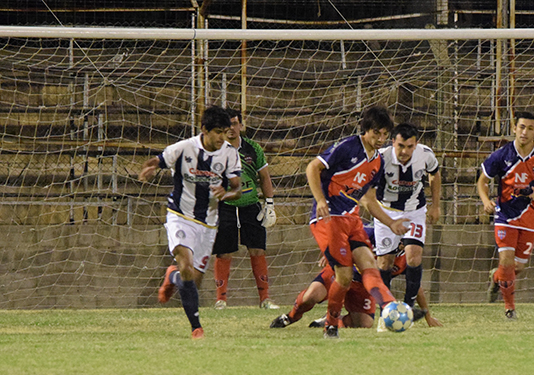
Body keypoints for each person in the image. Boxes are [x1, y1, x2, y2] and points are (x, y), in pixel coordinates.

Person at [305, 106, 410, 339]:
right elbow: (313, 167)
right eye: (376, 134)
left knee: (369, 263)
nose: (381, 139)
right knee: (342, 276)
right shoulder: (348, 146)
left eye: (385, 135)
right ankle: (329, 324)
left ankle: (389, 308)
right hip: (330, 217)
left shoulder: (378, 162)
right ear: (365, 130)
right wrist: (320, 200)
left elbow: (369, 200)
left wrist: (391, 223)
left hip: (351, 219)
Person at [138, 106, 242, 339]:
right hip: (180, 216)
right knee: (186, 266)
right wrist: (149, 168)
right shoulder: (184, 148)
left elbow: (237, 189)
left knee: (191, 280)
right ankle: (197, 327)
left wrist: (225, 192)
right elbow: (157, 160)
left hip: (208, 224)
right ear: (204, 129)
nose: (221, 137)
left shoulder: (229, 153)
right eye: (217, 132)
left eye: (225, 132)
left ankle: (171, 276)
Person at [270, 225, 442, 329]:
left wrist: (427, 316)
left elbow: (415, 285)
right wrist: (330, 250)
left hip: (363, 288)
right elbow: (344, 234)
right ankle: (291, 316)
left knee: (365, 324)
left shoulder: (406, 258)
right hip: (342, 272)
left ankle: (332, 321)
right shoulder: (372, 234)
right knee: (311, 297)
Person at [476, 111, 534, 320]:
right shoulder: (502, 154)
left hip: (530, 217)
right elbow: (482, 181)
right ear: (514, 128)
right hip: (505, 215)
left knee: (517, 268)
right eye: (521, 127)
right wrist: (486, 201)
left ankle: (496, 279)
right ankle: (509, 309)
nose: (524, 132)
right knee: (506, 261)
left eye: (530, 128)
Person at [373, 122, 441, 331]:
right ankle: (385, 311)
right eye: (400, 146)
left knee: (413, 256)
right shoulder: (380, 157)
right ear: (393, 142)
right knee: (385, 263)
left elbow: (435, 175)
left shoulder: (426, 155)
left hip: (414, 210)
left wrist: (436, 206)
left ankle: (408, 309)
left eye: (409, 147)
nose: (404, 151)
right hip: (386, 211)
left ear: (416, 144)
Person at [211, 108, 279, 310]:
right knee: (224, 252)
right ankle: (221, 299)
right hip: (226, 206)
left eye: (234, 124)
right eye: (227, 125)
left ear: (241, 125)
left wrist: (269, 204)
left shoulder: (253, 149)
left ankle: (265, 299)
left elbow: (264, 177)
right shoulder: (216, 150)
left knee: (257, 249)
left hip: (251, 206)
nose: (231, 128)